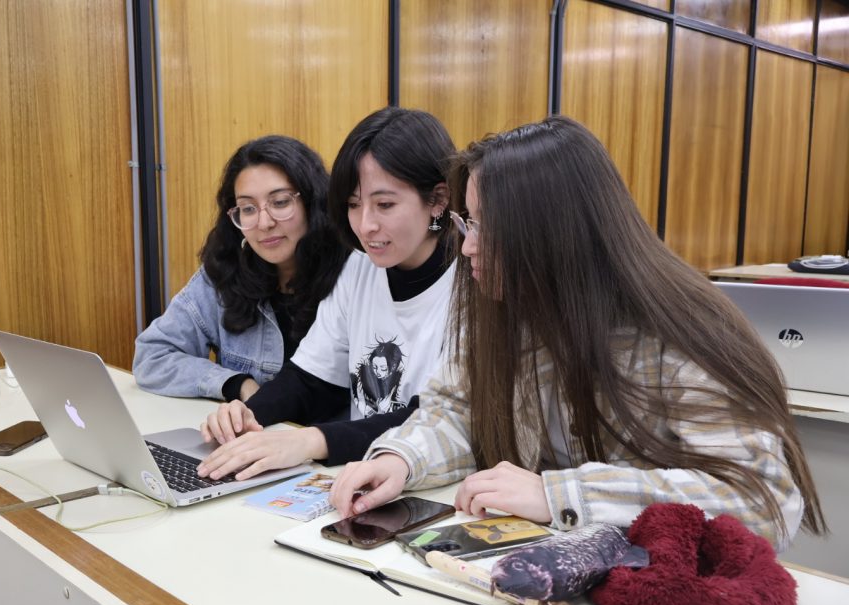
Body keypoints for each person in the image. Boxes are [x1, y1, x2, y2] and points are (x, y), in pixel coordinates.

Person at [330, 116, 825, 550]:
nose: (467, 248)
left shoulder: (678, 334)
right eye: (468, 223)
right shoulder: (501, 310)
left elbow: (761, 501)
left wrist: (559, 495)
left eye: (484, 227)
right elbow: (458, 410)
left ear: (554, 233)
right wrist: (403, 458)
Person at [197, 107, 459, 481]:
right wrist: (249, 415)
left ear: (437, 199)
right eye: (353, 205)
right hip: (361, 476)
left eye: (384, 204)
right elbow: (308, 378)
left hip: (437, 484)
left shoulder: (474, 280)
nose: (366, 225)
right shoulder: (359, 268)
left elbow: (438, 418)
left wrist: (310, 442)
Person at [133, 135, 348, 401]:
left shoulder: (353, 274)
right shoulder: (225, 272)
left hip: (329, 441)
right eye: (248, 208)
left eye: (280, 202)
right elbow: (152, 356)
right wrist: (235, 384)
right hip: (254, 435)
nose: (264, 222)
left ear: (313, 203)